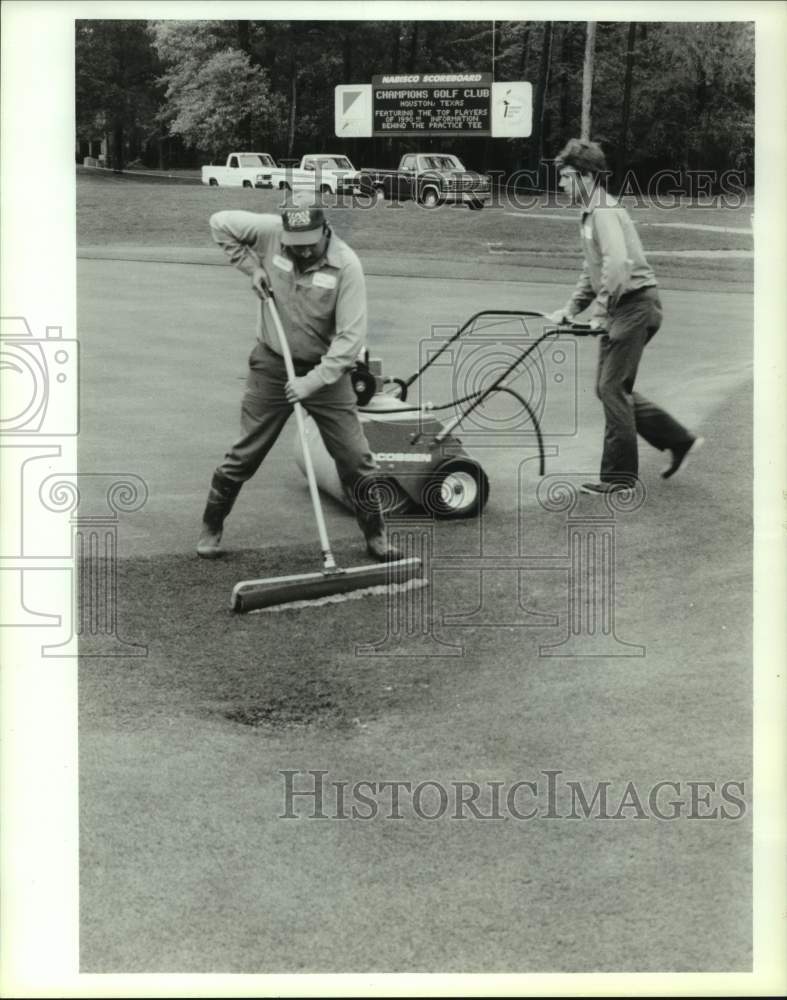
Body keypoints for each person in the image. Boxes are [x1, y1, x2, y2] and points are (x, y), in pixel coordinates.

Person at [197, 197, 400, 561]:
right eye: (295, 244)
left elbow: (350, 340)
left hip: (327, 373)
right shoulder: (272, 232)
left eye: (309, 243)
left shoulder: (347, 266)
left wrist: (314, 381)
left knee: (355, 457)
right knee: (246, 453)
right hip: (273, 364)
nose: (301, 251)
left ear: (324, 230)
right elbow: (219, 222)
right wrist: (250, 267)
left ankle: (376, 535)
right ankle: (212, 526)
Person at [547, 138, 703, 494]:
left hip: (634, 305)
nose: (560, 184)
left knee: (611, 388)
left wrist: (600, 312)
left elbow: (618, 265)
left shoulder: (602, 211)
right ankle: (678, 440)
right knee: (612, 388)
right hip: (625, 304)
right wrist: (571, 309)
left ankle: (619, 479)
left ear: (586, 177)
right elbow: (594, 269)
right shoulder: (590, 213)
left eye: (566, 176)